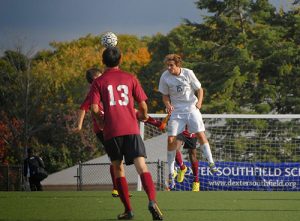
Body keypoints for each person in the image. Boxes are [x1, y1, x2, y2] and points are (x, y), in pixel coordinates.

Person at [90, 47, 163, 220]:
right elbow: (143, 105)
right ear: (120, 60)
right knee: (142, 166)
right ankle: (152, 201)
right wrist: (144, 116)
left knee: (118, 168)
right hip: (131, 129)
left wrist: (100, 121)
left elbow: (94, 108)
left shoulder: (98, 82)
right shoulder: (130, 78)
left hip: (112, 131)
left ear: (103, 61)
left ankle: (128, 210)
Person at [158, 53, 216, 190]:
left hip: (191, 109)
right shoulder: (165, 76)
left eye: (171, 65)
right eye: (167, 65)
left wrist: (199, 102)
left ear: (178, 65)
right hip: (177, 112)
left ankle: (211, 162)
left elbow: (199, 89)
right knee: (171, 139)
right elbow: (165, 96)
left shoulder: (188, 73)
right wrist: (167, 105)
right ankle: (172, 171)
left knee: (201, 135)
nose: (169, 68)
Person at [73, 68, 122, 197]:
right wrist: (79, 125)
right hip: (102, 129)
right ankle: (117, 189)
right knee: (116, 158)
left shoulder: (106, 90)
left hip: (113, 127)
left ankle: (118, 188)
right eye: (100, 77)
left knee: (118, 158)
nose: (103, 78)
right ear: (95, 79)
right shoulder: (93, 93)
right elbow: (83, 109)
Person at [175, 128, 217, 192]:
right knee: (174, 150)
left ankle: (196, 181)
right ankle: (182, 168)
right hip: (181, 130)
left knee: (192, 156)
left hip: (191, 132)